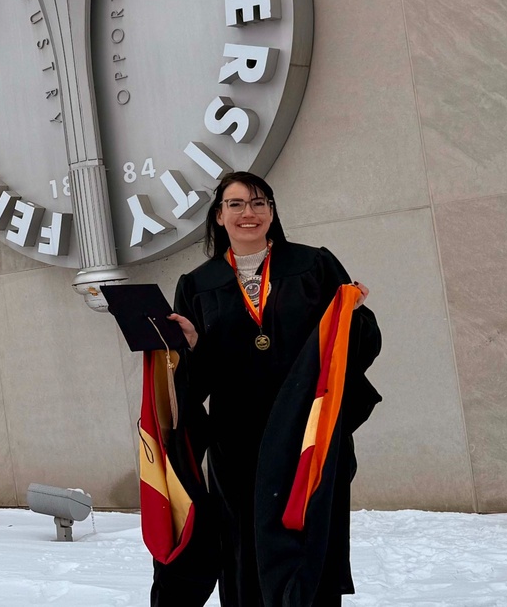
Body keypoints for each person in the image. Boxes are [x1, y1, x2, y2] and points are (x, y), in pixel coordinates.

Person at [154, 171, 382, 607]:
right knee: (244, 548)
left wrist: (355, 316)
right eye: (236, 204)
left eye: (260, 203)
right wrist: (192, 348)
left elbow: (358, 347)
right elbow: (195, 383)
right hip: (238, 444)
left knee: (307, 541)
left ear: (272, 213)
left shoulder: (313, 265)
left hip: (306, 437)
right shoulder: (197, 285)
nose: (249, 213)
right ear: (219, 216)